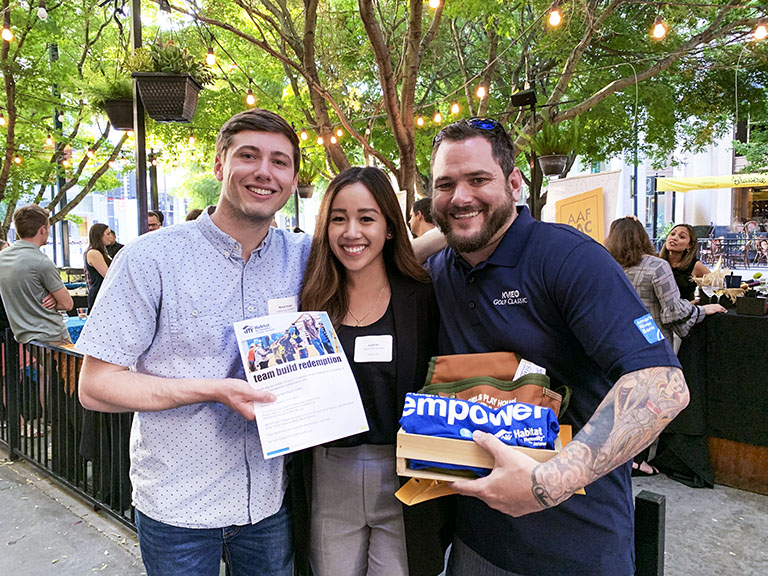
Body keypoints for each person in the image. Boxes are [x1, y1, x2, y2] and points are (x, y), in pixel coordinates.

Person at [426, 117, 688, 576]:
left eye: (478, 179)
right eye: (445, 184)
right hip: (474, 545)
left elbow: (663, 385)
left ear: (513, 182)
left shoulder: (568, 257)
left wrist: (546, 482)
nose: (460, 195)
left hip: (575, 548)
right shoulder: (440, 270)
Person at [76, 108, 311, 576]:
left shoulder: (304, 254)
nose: (264, 171)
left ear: (292, 179)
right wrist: (212, 390)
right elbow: (96, 386)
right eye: (249, 155)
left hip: (268, 502)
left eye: (280, 162)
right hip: (177, 507)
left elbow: (388, 245)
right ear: (220, 165)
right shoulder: (151, 257)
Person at [297, 166, 450, 576]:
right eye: (339, 218)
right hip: (329, 474)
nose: (352, 232)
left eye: (366, 218)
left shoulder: (422, 298)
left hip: (405, 476)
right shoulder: (309, 299)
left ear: (388, 227)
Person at [604, 216, 725, 476]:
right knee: (650, 405)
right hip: (651, 345)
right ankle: (637, 460)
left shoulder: (608, 265)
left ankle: (618, 457)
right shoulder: (656, 266)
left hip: (616, 343)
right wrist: (704, 309)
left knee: (623, 403)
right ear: (642, 237)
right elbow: (672, 312)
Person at [0, 204, 73, 346]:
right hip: (52, 337)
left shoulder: (2, 257)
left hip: (22, 337)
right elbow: (67, 304)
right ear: (42, 230)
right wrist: (54, 298)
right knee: (69, 368)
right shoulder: (41, 262)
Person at [659, 224, 711, 301]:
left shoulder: (696, 265)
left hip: (685, 311)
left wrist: (696, 302)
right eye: (672, 234)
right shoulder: (656, 261)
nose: (674, 238)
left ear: (689, 245)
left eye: (682, 237)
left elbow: (716, 286)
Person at [84, 223, 113, 309]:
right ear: (99, 236)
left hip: (104, 294)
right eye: (108, 234)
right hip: (99, 294)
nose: (110, 236)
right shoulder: (94, 253)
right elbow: (108, 275)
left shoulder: (102, 252)